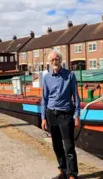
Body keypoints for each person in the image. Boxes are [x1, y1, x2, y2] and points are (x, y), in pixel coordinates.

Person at [41, 50, 81, 179]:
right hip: (51, 114)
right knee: (56, 145)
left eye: (56, 59)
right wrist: (43, 118)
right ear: (49, 62)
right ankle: (63, 170)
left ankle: (72, 174)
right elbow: (44, 99)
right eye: (52, 60)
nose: (54, 61)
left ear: (61, 60)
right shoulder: (46, 78)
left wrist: (77, 116)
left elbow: (76, 97)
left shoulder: (70, 75)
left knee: (69, 145)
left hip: (65, 114)